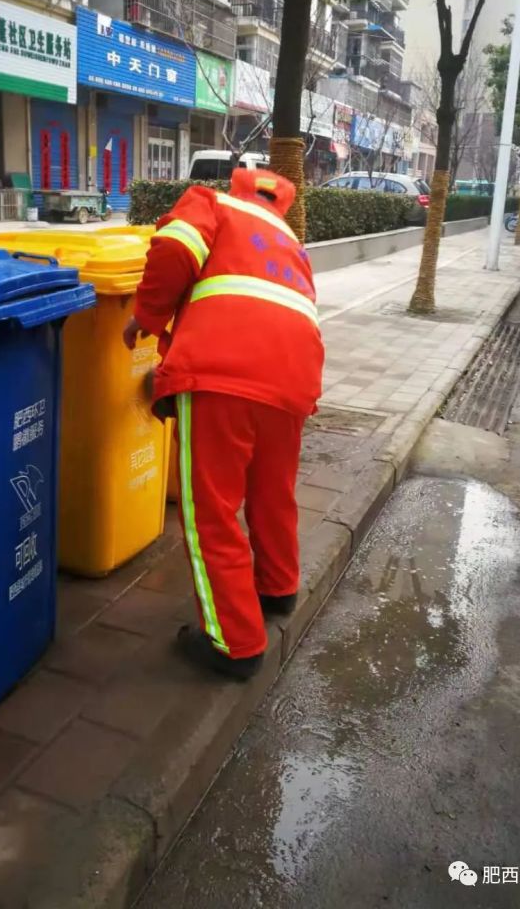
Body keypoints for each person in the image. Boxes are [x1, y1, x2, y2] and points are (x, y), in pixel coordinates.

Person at [123, 168, 324, 680]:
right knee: (272, 491)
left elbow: (173, 247)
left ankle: (234, 642)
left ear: (237, 185)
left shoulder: (212, 202)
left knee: (209, 511)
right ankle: (278, 589)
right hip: (294, 379)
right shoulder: (288, 240)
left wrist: (146, 316)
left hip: (221, 372)